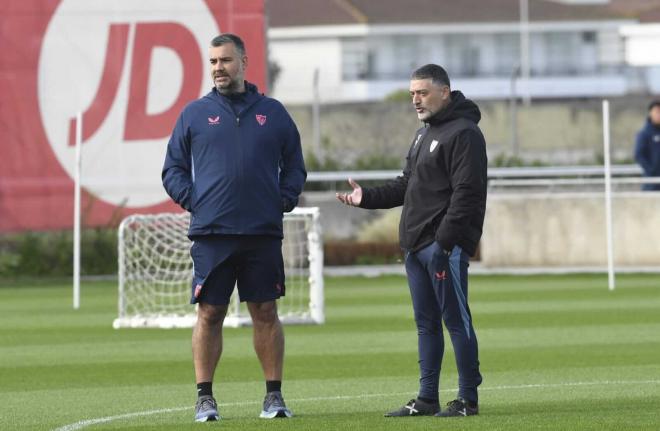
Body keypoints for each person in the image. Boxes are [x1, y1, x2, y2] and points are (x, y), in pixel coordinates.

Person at [162, 33, 306, 422]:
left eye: (225, 60)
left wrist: (283, 198)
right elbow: (172, 168)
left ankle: (273, 397)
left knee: (265, 311)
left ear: (243, 62)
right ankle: (204, 398)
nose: (218, 68)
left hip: (261, 232)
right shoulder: (194, 114)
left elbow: (295, 165)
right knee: (210, 313)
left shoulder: (273, 112)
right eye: (212, 62)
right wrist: (194, 200)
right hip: (212, 233)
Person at [337, 64, 487, 418]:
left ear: (444, 92)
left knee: (456, 320)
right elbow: (407, 184)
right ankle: (426, 398)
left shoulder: (464, 134)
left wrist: (444, 244)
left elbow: (467, 194)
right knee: (426, 324)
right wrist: (367, 198)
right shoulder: (423, 133)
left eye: (421, 92)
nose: (415, 100)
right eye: (411, 94)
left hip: (442, 247)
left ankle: (467, 399)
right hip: (415, 246)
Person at [634, 100, 660, 191]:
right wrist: (652, 171)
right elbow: (639, 155)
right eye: (657, 111)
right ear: (650, 113)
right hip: (652, 184)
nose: (659, 114)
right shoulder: (644, 133)